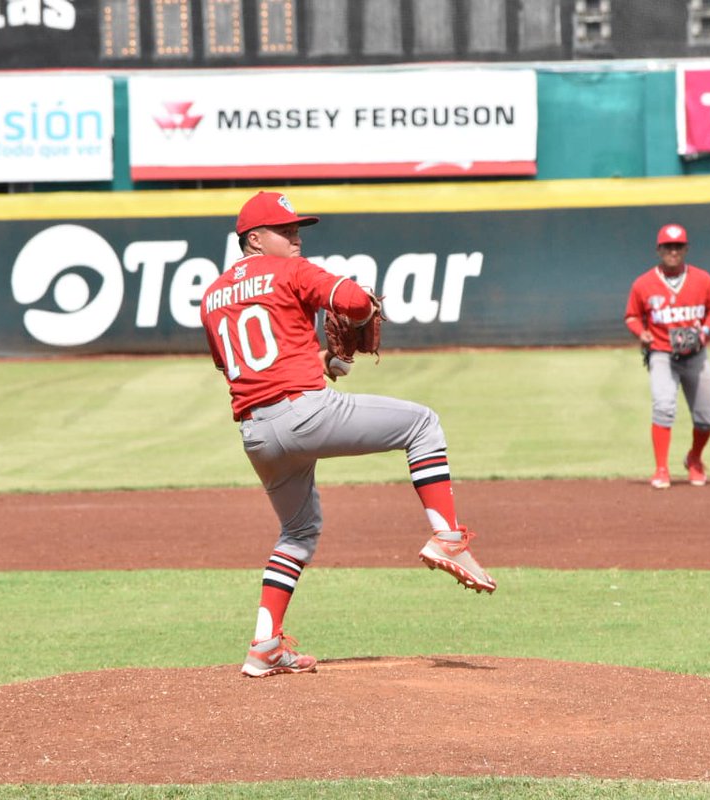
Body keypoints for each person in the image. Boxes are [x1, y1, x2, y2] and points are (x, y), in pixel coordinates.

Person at [200, 190, 495, 678]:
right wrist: (358, 320)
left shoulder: (212, 296)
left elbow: (245, 367)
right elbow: (356, 301)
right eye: (286, 230)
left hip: (258, 435)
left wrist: (324, 361)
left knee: (297, 532)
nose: (296, 239)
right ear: (254, 239)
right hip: (306, 414)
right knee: (423, 424)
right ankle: (447, 538)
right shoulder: (291, 272)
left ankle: (265, 646)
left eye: (298, 230)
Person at [624, 223, 710, 489]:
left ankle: (694, 459)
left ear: (686, 248)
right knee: (663, 407)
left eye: (678, 246)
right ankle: (661, 469)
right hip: (661, 354)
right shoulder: (643, 284)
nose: (673, 251)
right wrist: (641, 333)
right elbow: (632, 315)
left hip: (696, 355)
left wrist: (704, 330)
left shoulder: (702, 279)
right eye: (668, 246)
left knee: (706, 417)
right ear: (658, 249)